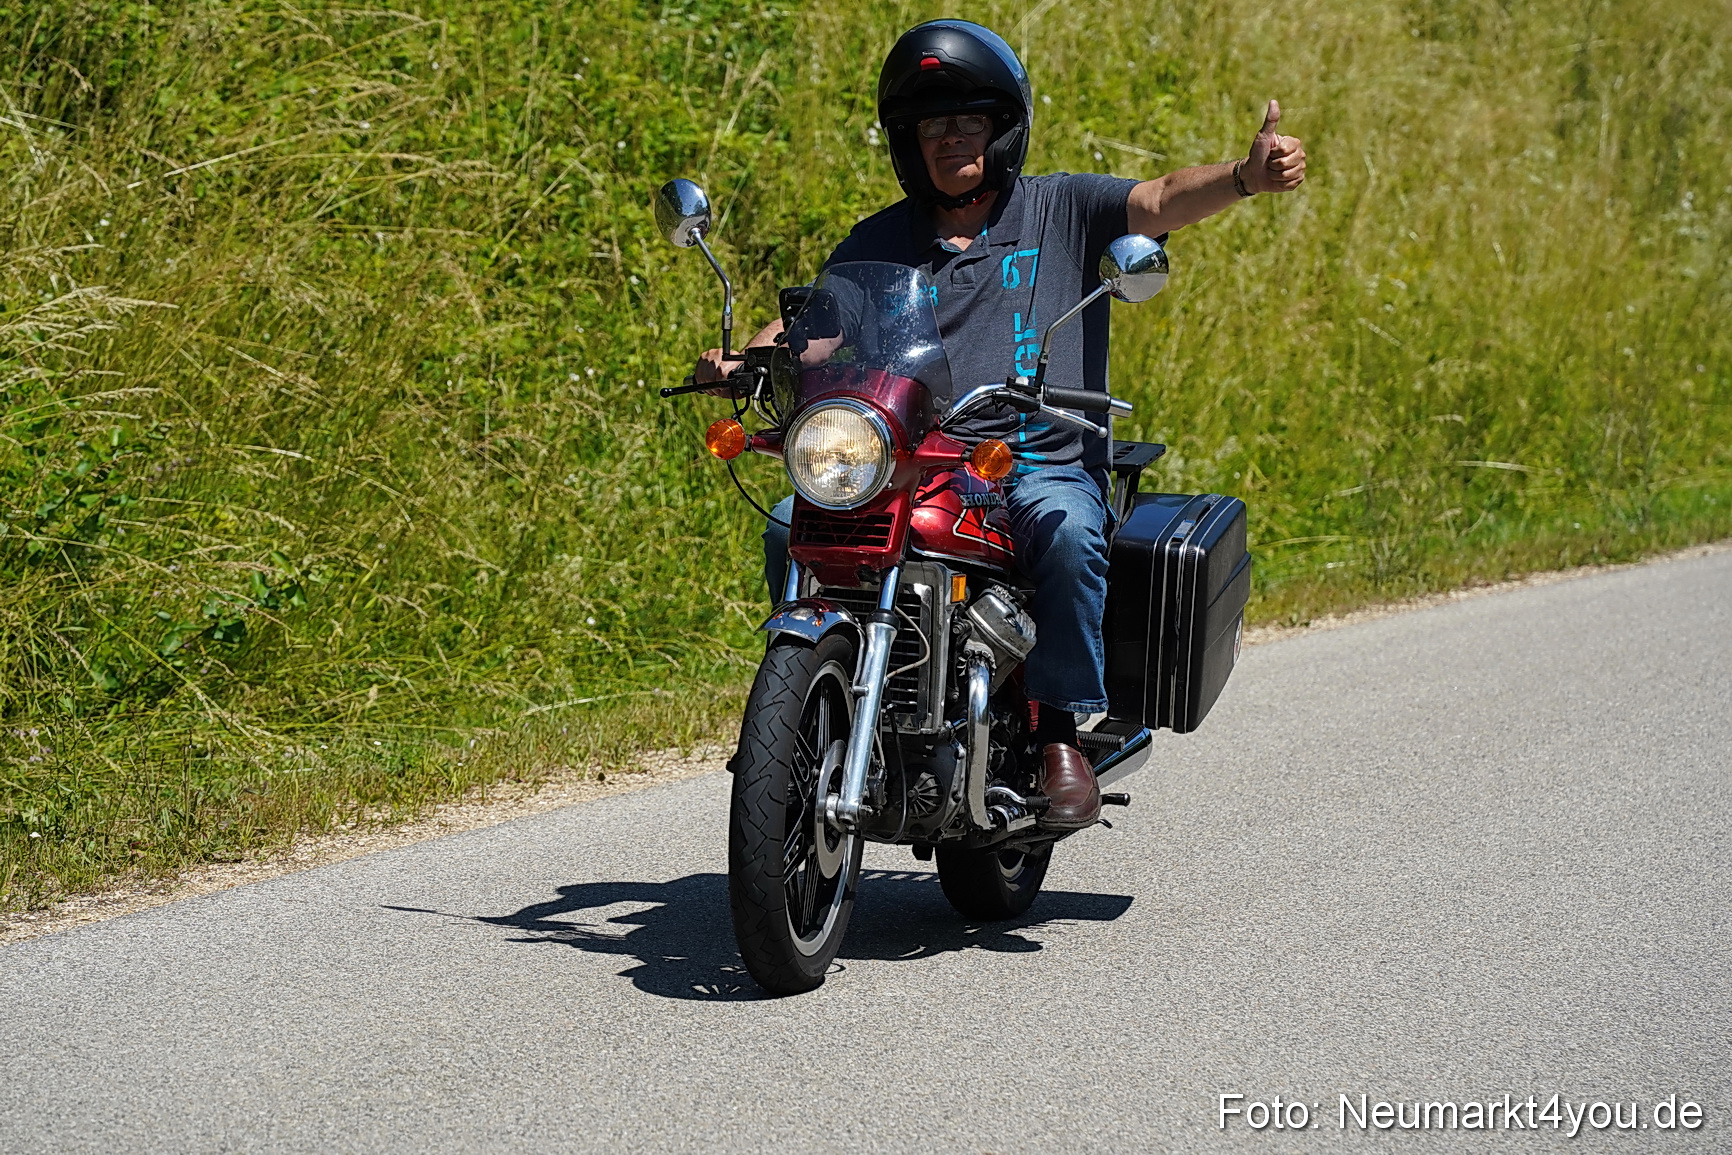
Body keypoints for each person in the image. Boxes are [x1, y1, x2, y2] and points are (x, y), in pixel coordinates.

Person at [692, 20, 1306, 829]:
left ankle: (1057, 734)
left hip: (1036, 459)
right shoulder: (881, 240)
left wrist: (1244, 176)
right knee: (789, 523)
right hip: (915, 462)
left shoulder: (1063, 208)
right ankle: (811, 704)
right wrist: (748, 358)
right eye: (931, 126)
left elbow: (1158, 199)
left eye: (968, 121)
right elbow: (820, 322)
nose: (951, 140)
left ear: (1002, 127)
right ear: (907, 143)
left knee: (1065, 527)